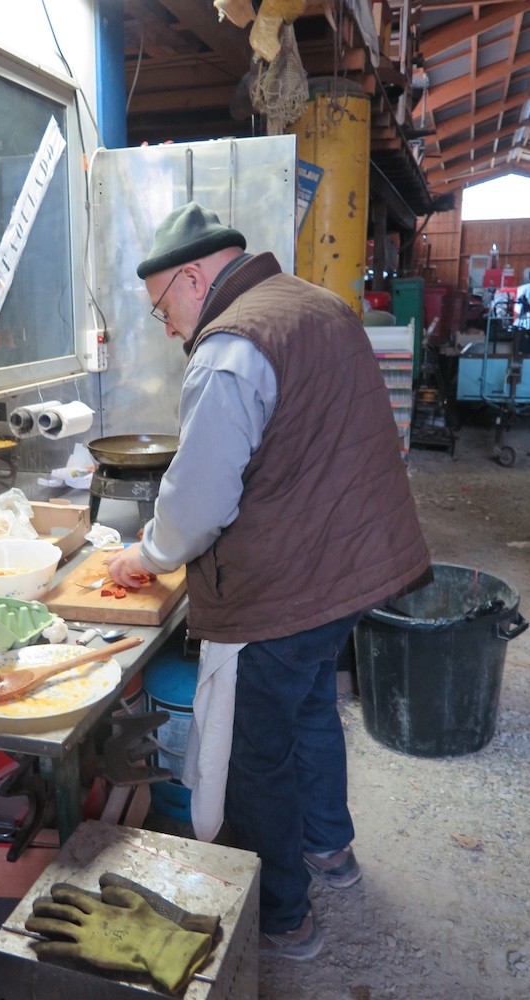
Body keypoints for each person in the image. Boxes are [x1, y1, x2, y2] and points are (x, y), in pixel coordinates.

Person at [107, 202, 431, 961]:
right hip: (352, 564)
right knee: (313, 705)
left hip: (290, 582)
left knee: (258, 750)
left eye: (162, 308)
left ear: (192, 277)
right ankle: (331, 851)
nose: (165, 327)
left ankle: (285, 916)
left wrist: (146, 556)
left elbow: (198, 507)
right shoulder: (316, 304)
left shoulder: (229, 348)